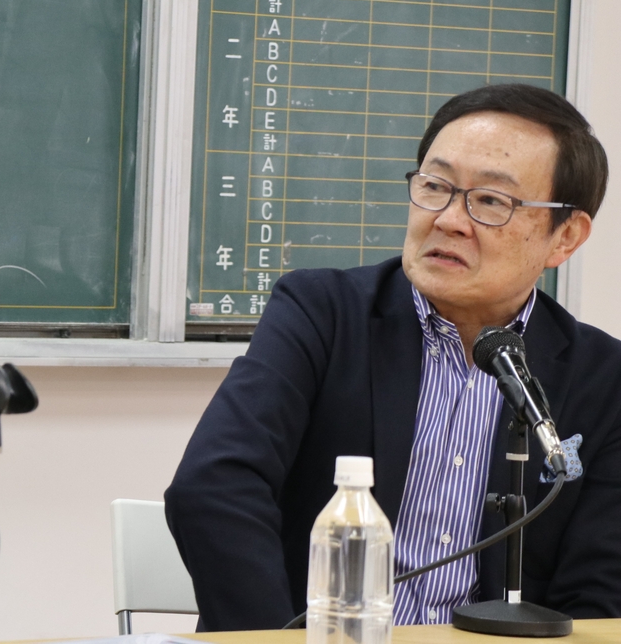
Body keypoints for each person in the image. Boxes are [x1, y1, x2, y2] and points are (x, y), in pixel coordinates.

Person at [165, 83, 621, 631]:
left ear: (565, 237)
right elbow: (213, 487)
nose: (449, 219)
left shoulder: (604, 379)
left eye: (490, 201)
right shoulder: (322, 314)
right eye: (435, 186)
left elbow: (600, 590)